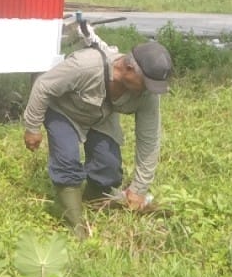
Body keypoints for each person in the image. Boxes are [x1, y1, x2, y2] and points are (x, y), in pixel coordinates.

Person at [22, 39, 174, 238]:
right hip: (64, 111)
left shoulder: (148, 95)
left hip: (101, 118)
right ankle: (75, 227)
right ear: (128, 68)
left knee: (108, 169)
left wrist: (139, 188)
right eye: (146, 83)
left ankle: (91, 205)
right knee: (67, 162)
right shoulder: (86, 66)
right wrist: (32, 127)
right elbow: (43, 86)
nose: (149, 90)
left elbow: (149, 139)